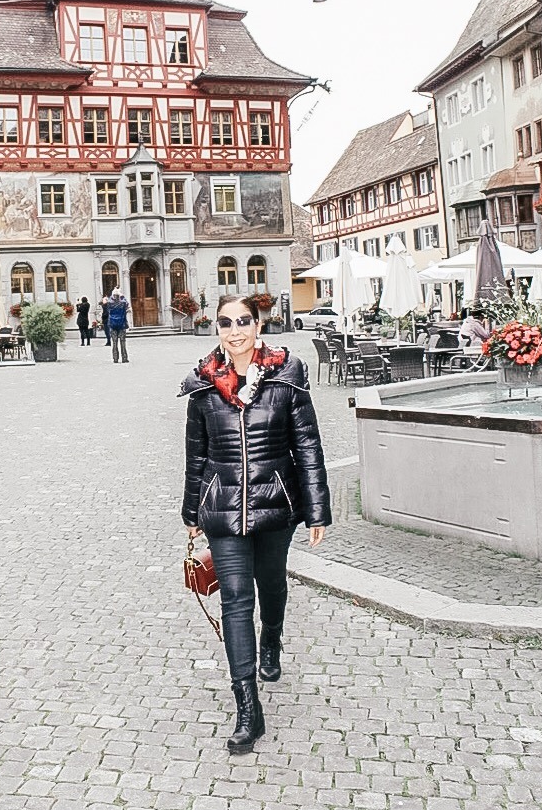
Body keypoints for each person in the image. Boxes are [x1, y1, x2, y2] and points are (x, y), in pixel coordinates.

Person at [180, 294, 331, 755]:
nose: (235, 329)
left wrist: (317, 509)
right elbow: (196, 454)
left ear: (259, 325)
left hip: (275, 503)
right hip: (223, 507)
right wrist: (191, 513)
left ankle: (273, 640)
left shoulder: (286, 377)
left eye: (244, 320)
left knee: (271, 583)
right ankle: (248, 708)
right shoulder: (203, 386)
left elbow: (307, 445)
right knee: (236, 602)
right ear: (217, 330)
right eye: (226, 322)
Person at [107, 288, 130, 363]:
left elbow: (107, 307)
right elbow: (127, 304)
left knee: (114, 342)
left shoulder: (110, 303)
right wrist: (122, 296)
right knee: (123, 342)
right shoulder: (122, 303)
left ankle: (115, 358)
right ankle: (124, 358)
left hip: (113, 323)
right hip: (121, 323)